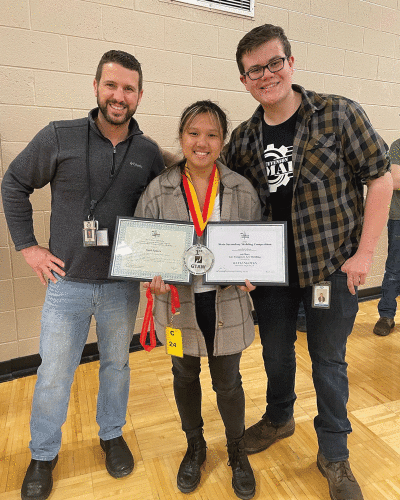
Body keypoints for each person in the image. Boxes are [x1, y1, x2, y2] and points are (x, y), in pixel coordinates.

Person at [223, 24, 392, 500]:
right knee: (275, 354)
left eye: (274, 63)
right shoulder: (244, 137)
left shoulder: (338, 115)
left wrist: (364, 254)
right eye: (254, 70)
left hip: (330, 269)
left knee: (329, 363)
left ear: (291, 63)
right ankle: (279, 417)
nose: (266, 74)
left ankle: (334, 454)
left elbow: (379, 180)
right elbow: (227, 194)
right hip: (271, 277)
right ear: (244, 80)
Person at [1, 50, 165, 500]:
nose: (119, 95)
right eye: (111, 85)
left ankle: (111, 434)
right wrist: (29, 247)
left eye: (129, 88)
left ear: (139, 95)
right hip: (66, 285)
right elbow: (13, 183)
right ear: (96, 87)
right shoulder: (60, 136)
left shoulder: (148, 151)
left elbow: (170, 202)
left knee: (117, 366)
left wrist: (162, 261)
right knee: (55, 372)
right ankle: (43, 454)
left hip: (121, 288)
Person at [135, 100, 261, 500]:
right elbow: (143, 248)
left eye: (212, 134)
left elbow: (256, 244)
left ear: (223, 141)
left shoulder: (241, 188)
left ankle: (237, 450)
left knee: (228, 382)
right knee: (184, 375)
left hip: (226, 303)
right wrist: (149, 278)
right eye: (193, 133)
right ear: (181, 137)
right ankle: (195, 445)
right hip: (177, 304)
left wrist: (255, 271)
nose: (201, 142)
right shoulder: (159, 189)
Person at [373, 138, 400, 336]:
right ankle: (386, 316)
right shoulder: (398, 145)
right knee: (394, 269)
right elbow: (396, 180)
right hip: (399, 218)